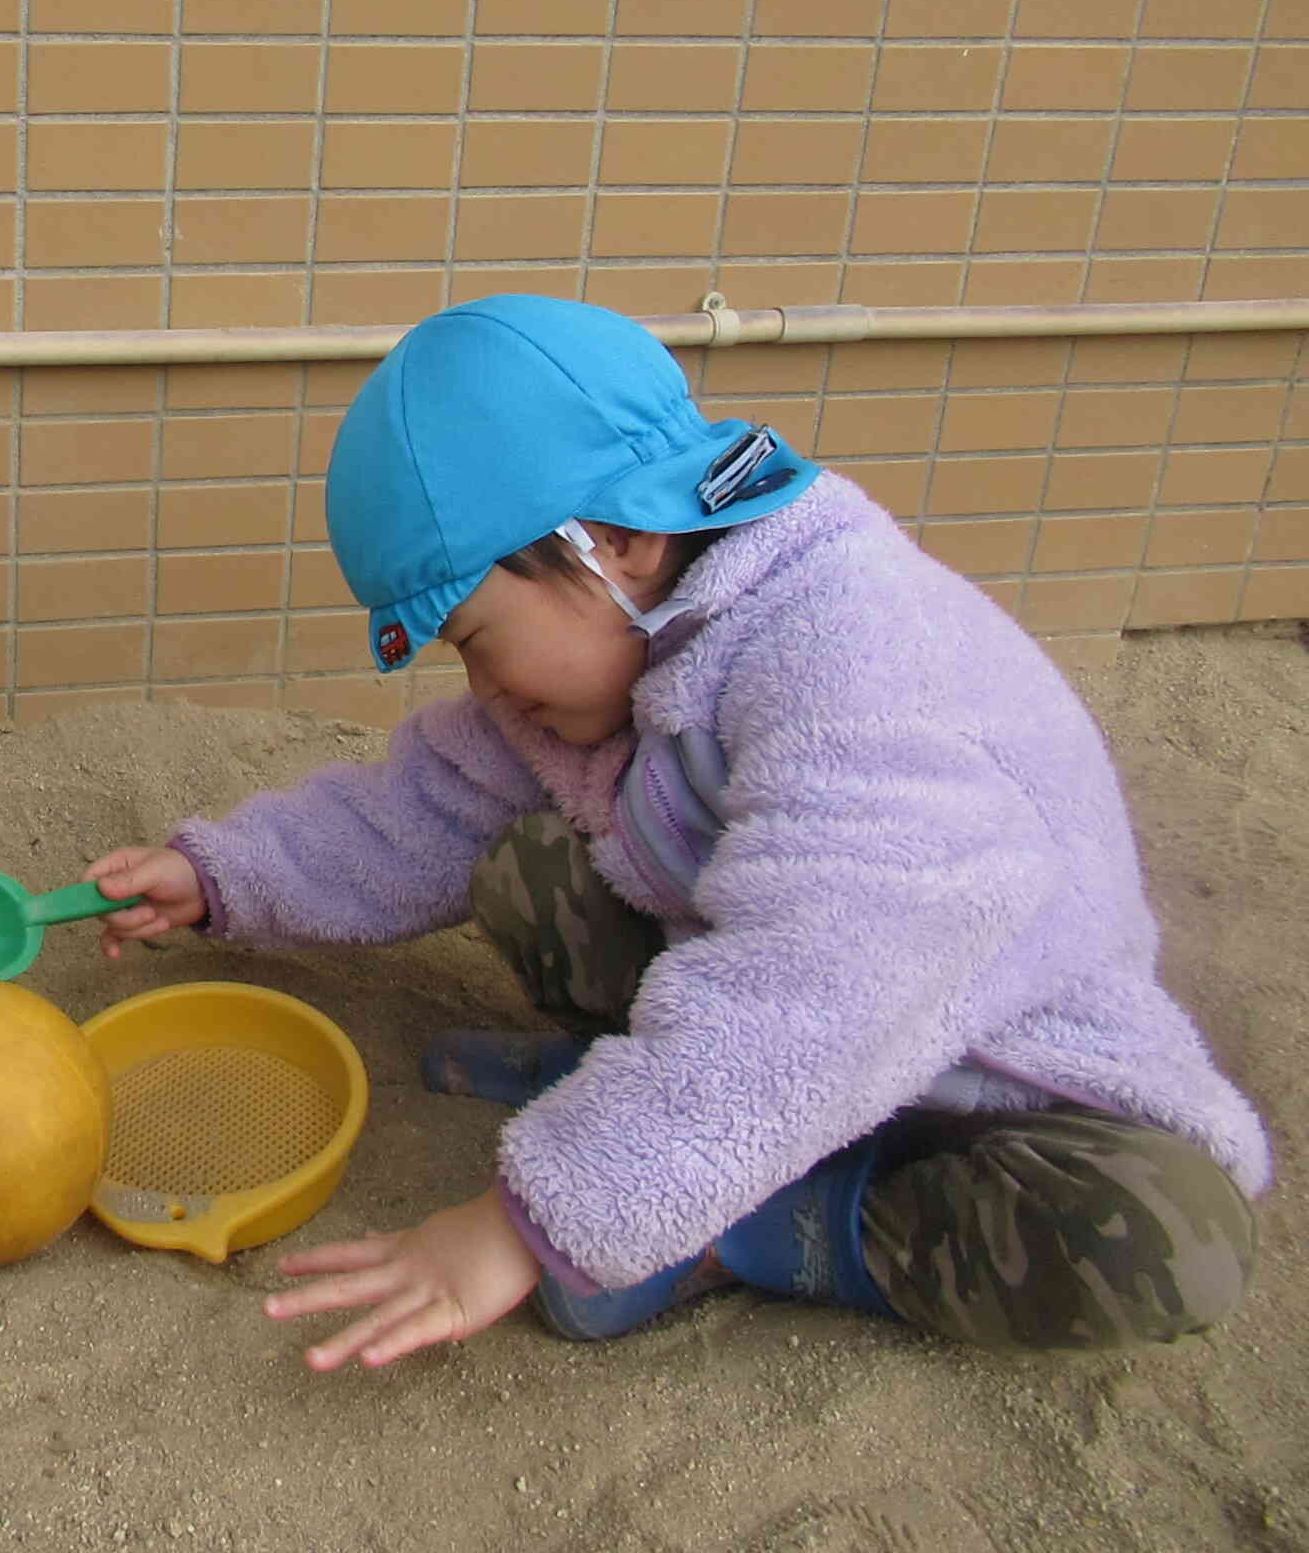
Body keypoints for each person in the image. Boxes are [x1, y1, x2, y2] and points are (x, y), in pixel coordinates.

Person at [86, 294, 1268, 1363]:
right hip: (768, 1011)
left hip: (988, 1077)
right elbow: (420, 810)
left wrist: (530, 1222)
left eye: (478, 640)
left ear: (618, 545)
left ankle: (750, 1223)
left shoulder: (859, 656)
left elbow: (816, 993)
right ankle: (639, 1099)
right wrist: (222, 873)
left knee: (1165, 1238)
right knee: (525, 862)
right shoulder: (625, 641)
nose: (481, 685)